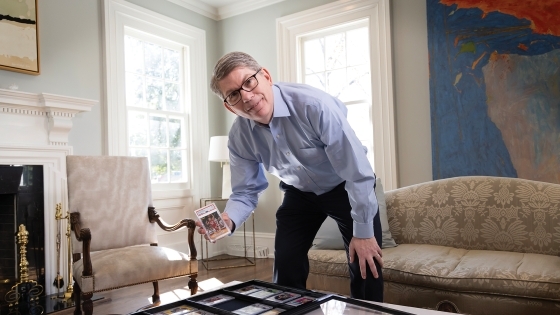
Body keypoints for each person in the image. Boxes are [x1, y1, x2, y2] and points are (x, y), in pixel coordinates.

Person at [197, 51, 383, 301]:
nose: (247, 97)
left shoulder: (313, 106)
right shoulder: (239, 138)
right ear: (229, 106)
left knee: (366, 266)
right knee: (285, 266)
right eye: (234, 94)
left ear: (265, 76)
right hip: (300, 193)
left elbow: (357, 173)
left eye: (249, 82)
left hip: (345, 186)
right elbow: (245, 191)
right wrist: (228, 220)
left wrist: (363, 233)